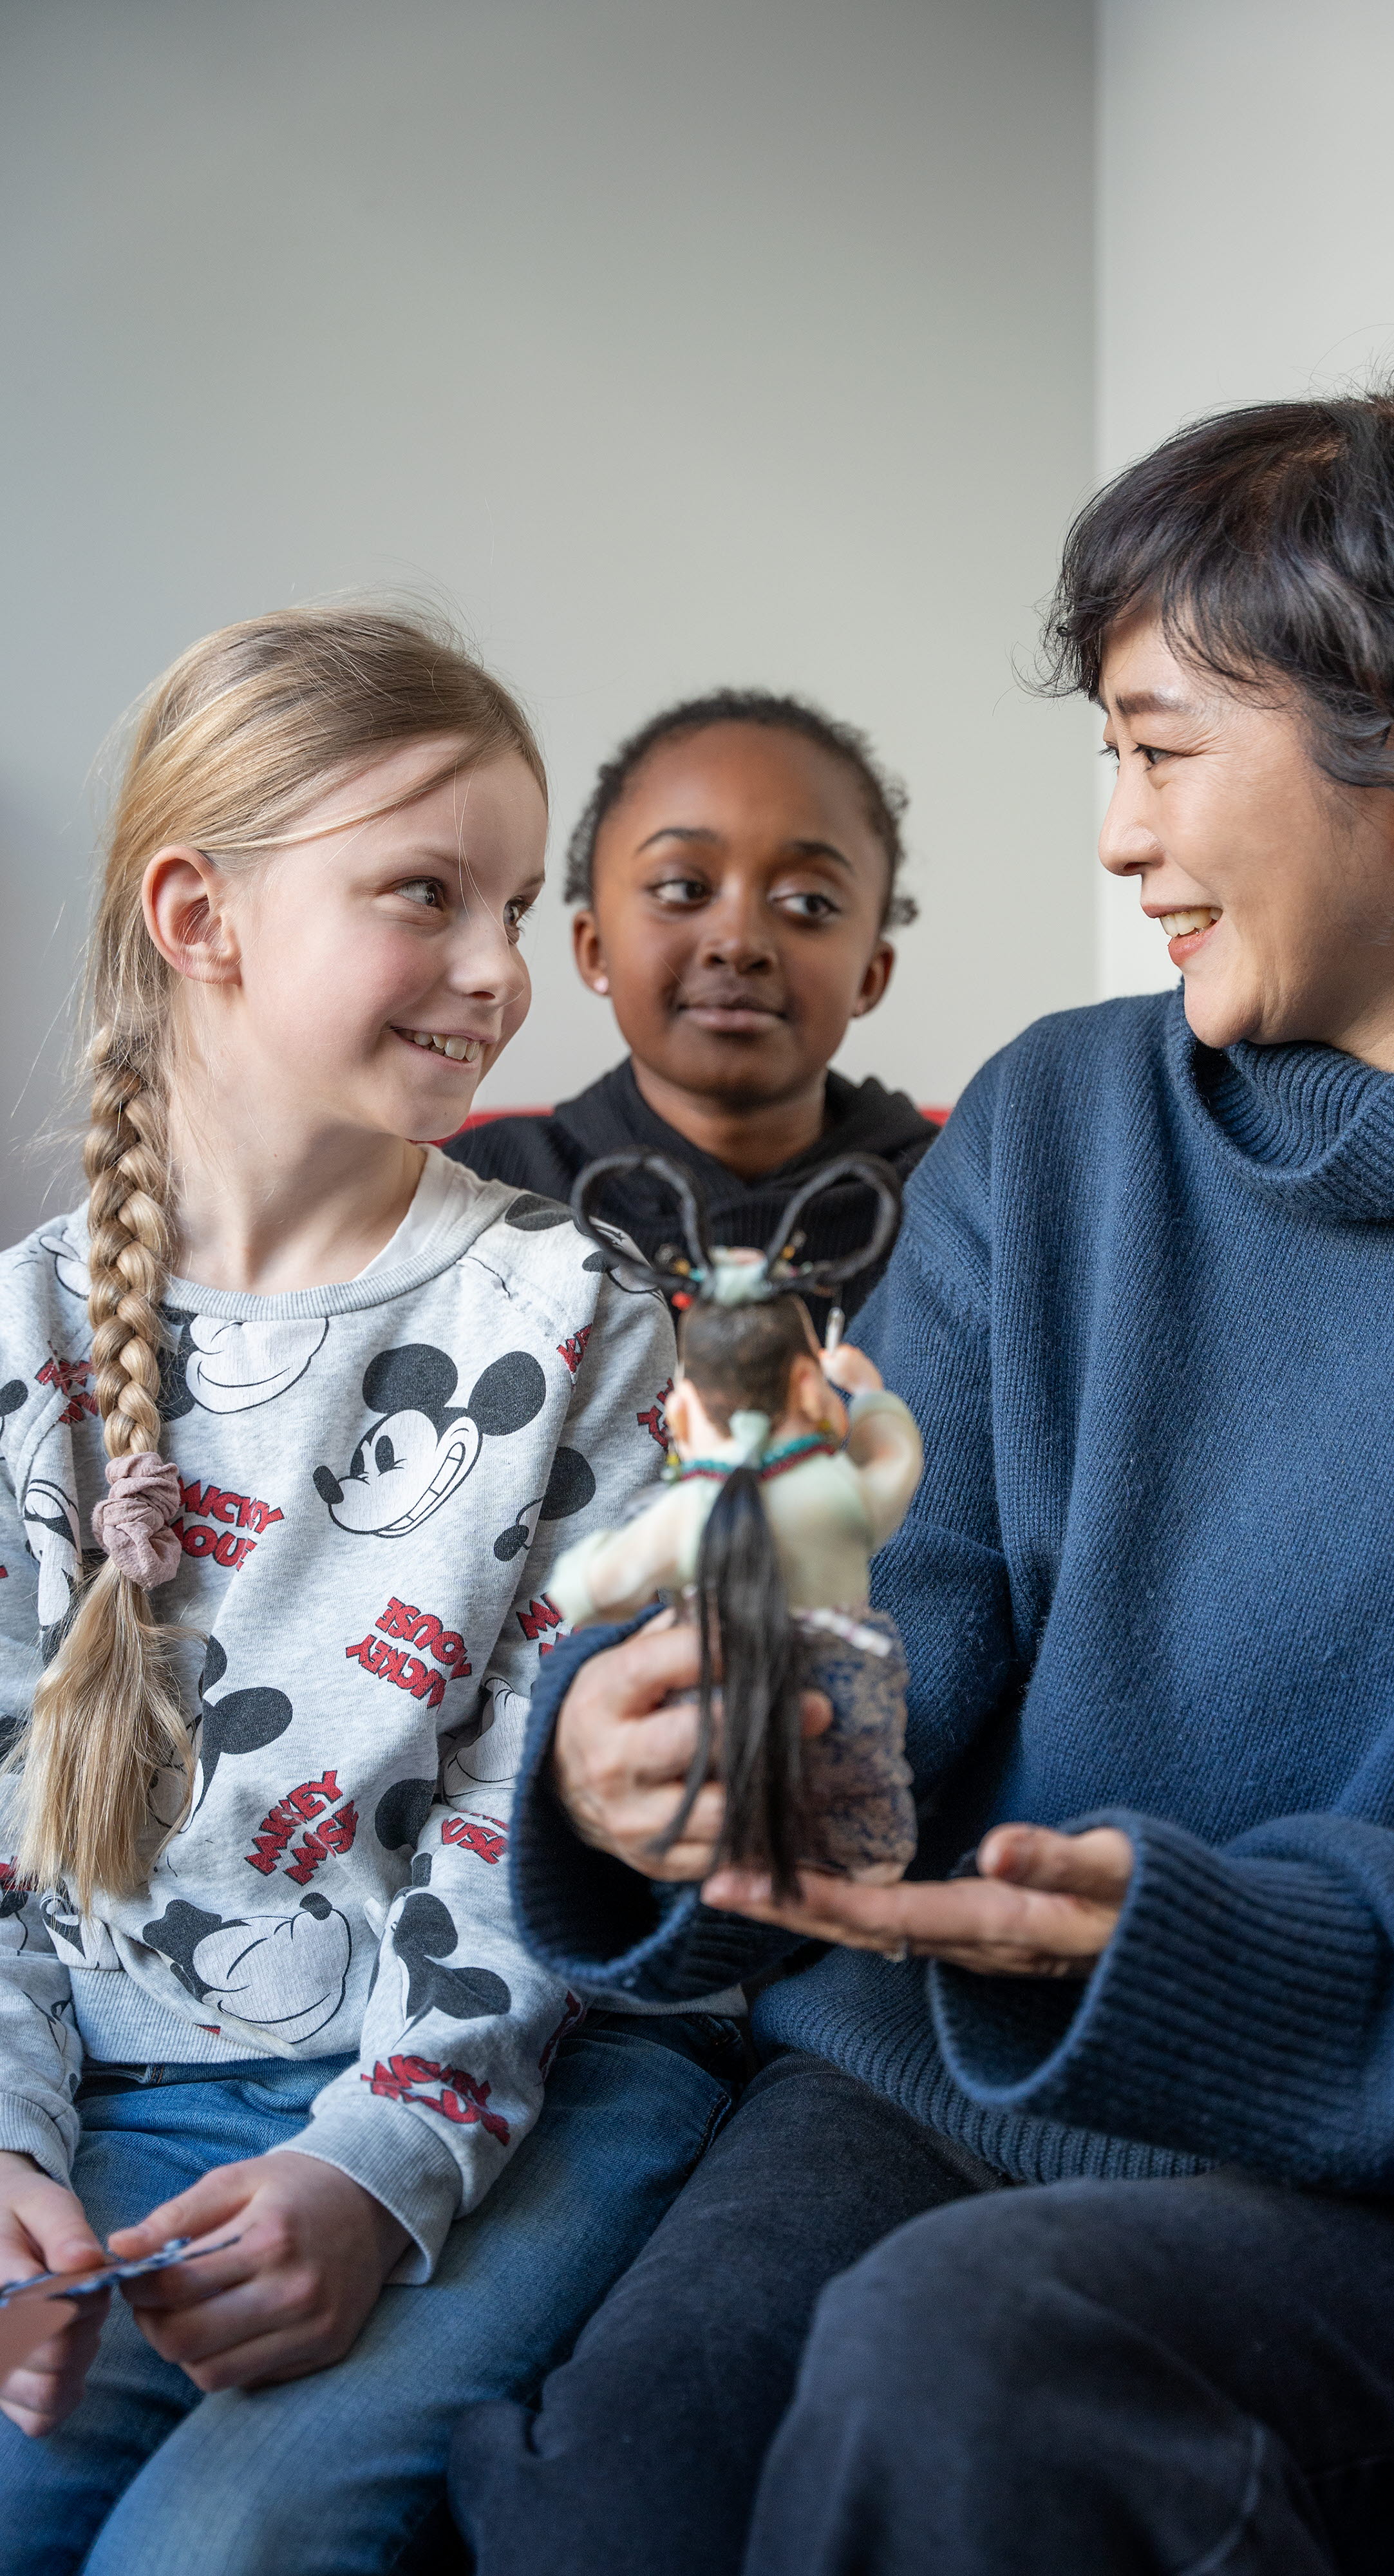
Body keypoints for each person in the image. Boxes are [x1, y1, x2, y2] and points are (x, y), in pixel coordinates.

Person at [451, 367, 1394, 2576]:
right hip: (943, 2076)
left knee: (978, 2373)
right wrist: (683, 1755)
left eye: (1157, 752)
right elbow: (889, 1614)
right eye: (1104, 759)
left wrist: (1193, 1947)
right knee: (604, 2483)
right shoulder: (1054, 1125)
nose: (1115, 837)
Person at [0, 608, 745, 2576]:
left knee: (218, 2554)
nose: (506, 974)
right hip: (106, 2110)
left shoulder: (581, 1319)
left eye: (515, 900)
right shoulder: (25, 1344)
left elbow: (537, 1830)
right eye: (429, 896)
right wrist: (5, 2148)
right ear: (199, 913)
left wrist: (370, 2167)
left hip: (499, 2101)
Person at [443, 692, 938, 1327]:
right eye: (684, 888)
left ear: (872, 973)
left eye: (809, 902)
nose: (738, 943)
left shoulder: (956, 1199)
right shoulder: (482, 1188)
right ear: (595, 950)